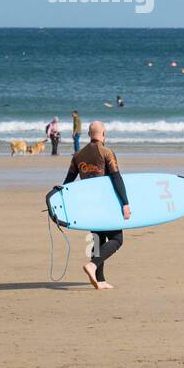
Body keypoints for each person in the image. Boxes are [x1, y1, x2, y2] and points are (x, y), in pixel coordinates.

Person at [61, 121, 130, 290]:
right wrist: (125, 203)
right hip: (105, 205)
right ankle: (92, 265)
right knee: (117, 239)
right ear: (104, 134)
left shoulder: (78, 156)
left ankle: (100, 279)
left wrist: (61, 210)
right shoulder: (106, 152)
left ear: (88, 135)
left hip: (88, 205)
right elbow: (116, 178)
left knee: (98, 240)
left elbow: (67, 183)